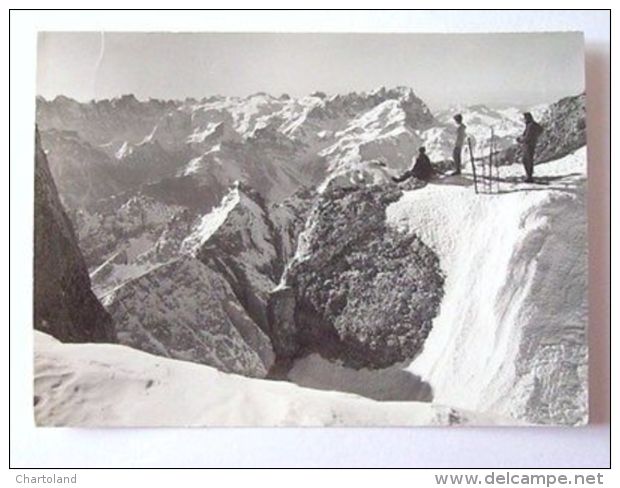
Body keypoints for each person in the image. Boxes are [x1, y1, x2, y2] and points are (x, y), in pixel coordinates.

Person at [517, 112, 543, 183]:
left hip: (528, 145)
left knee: (526, 160)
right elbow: (540, 130)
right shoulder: (533, 125)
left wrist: (520, 140)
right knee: (528, 160)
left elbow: (527, 137)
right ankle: (529, 175)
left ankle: (529, 176)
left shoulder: (530, 126)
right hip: (531, 144)